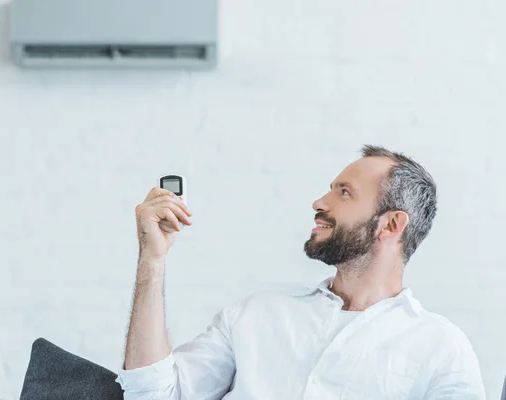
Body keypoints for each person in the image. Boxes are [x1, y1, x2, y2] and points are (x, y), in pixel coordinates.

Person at [116, 145, 486, 399]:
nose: (319, 203)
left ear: (390, 225)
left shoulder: (442, 348)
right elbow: (153, 393)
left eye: (344, 193)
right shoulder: (254, 315)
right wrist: (152, 259)